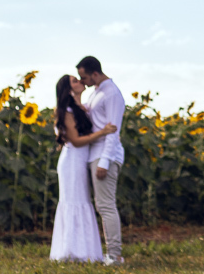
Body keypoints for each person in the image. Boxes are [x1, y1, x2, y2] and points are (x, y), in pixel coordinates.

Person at [49, 74, 116, 263]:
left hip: (80, 160)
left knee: (82, 201)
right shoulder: (67, 111)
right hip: (72, 161)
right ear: (69, 89)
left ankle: (84, 251)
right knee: (74, 201)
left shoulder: (80, 108)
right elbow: (77, 141)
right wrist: (103, 132)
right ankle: (71, 251)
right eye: (75, 81)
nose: (80, 82)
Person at [77, 55, 126, 266]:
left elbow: (113, 130)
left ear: (95, 74)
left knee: (106, 206)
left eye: (84, 77)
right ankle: (107, 252)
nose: (83, 82)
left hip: (104, 155)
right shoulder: (96, 92)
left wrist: (105, 161)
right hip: (93, 154)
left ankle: (114, 255)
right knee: (101, 205)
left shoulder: (112, 94)